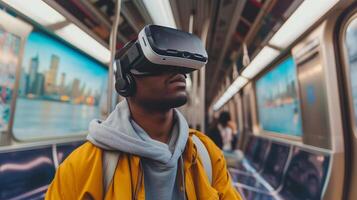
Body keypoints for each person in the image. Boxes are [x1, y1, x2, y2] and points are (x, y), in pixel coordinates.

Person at [45, 25, 241, 200]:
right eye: (160, 63)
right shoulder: (82, 167)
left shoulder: (206, 154)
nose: (178, 71)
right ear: (126, 82)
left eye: (181, 66)